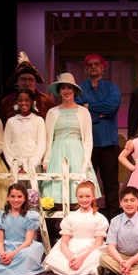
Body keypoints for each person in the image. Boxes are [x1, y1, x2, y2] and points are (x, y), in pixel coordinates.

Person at [41, 73, 100, 204]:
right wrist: (46, 160)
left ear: (74, 90)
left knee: (78, 190)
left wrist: (86, 159)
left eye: (69, 88)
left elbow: (88, 137)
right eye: (63, 88)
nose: (66, 91)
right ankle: (60, 223)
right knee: (56, 192)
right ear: (59, 91)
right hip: (57, 152)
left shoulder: (83, 112)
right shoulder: (52, 112)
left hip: (77, 152)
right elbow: (48, 137)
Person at [75, 54, 122, 220]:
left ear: (102, 68)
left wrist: (89, 108)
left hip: (109, 141)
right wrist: (99, 114)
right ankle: (87, 219)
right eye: (90, 65)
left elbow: (113, 106)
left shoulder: (112, 88)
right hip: (87, 144)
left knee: (111, 183)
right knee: (86, 184)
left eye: (97, 64)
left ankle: (114, 220)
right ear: (85, 69)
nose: (94, 67)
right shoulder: (79, 88)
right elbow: (78, 108)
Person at [42, 179, 109, 275]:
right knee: (55, 255)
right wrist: (71, 259)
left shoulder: (99, 218)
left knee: (98, 256)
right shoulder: (71, 217)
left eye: (87, 196)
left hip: (91, 249)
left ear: (93, 197)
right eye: (81, 196)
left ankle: (91, 269)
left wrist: (81, 259)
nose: (84, 200)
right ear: (76, 197)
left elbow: (98, 243)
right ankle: (67, 265)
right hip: (73, 248)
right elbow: (64, 242)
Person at [97, 187, 138, 275]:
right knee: (103, 258)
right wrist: (122, 262)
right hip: (120, 256)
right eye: (125, 201)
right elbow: (111, 247)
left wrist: (130, 262)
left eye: (132, 200)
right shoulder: (115, 221)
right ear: (121, 203)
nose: (129, 204)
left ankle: (114, 272)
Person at [0, 51, 56, 125]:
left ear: (35, 82)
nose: (27, 83)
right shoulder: (7, 102)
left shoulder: (46, 101)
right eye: (23, 79)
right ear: (17, 82)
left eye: (30, 80)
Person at [2, 88, 46, 178]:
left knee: (33, 192)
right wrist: (15, 166)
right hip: (15, 168)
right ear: (17, 102)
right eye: (20, 100)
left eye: (26, 100)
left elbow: (41, 145)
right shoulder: (11, 121)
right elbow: (6, 146)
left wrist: (28, 167)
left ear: (32, 101)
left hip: (34, 167)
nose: (23, 103)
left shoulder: (38, 121)